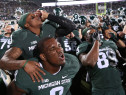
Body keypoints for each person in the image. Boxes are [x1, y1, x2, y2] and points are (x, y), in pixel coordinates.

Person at [0, 10, 76, 82]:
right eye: (33, 17)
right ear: (27, 25)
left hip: (56, 70)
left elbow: (71, 26)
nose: (37, 16)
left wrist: (49, 16)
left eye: (36, 15)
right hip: (37, 76)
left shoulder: (48, 28)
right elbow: (4, 61)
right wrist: (24, 63)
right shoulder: (21, 36)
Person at [7, 37, 80, 95]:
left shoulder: (72, 62)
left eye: (59, 46)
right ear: (43, 57)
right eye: (52, 48)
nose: (59, 50)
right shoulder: (28, 73)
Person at [76, 29, 125, 95]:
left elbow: (120, 58)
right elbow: (88, 61)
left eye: (95, 32)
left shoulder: (109, 43)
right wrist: (96, 42)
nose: (94, 33)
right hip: (101, 87)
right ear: (86, 37)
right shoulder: (84, 46)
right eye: (91, 33)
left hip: (117, 84)